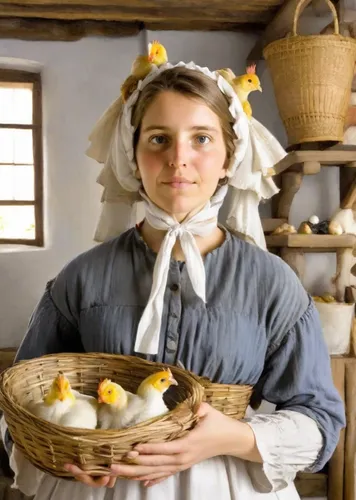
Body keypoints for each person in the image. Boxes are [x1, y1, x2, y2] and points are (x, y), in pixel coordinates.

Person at [1, 61, 345, 500]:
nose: (178, 157)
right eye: (158, 139)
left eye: (201, 138)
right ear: (133, 154)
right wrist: (62, 462)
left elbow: (320, 421)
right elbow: (19, 409)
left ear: (229, 156)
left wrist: (232, 438)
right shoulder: (81, 277)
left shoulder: (273, 283)